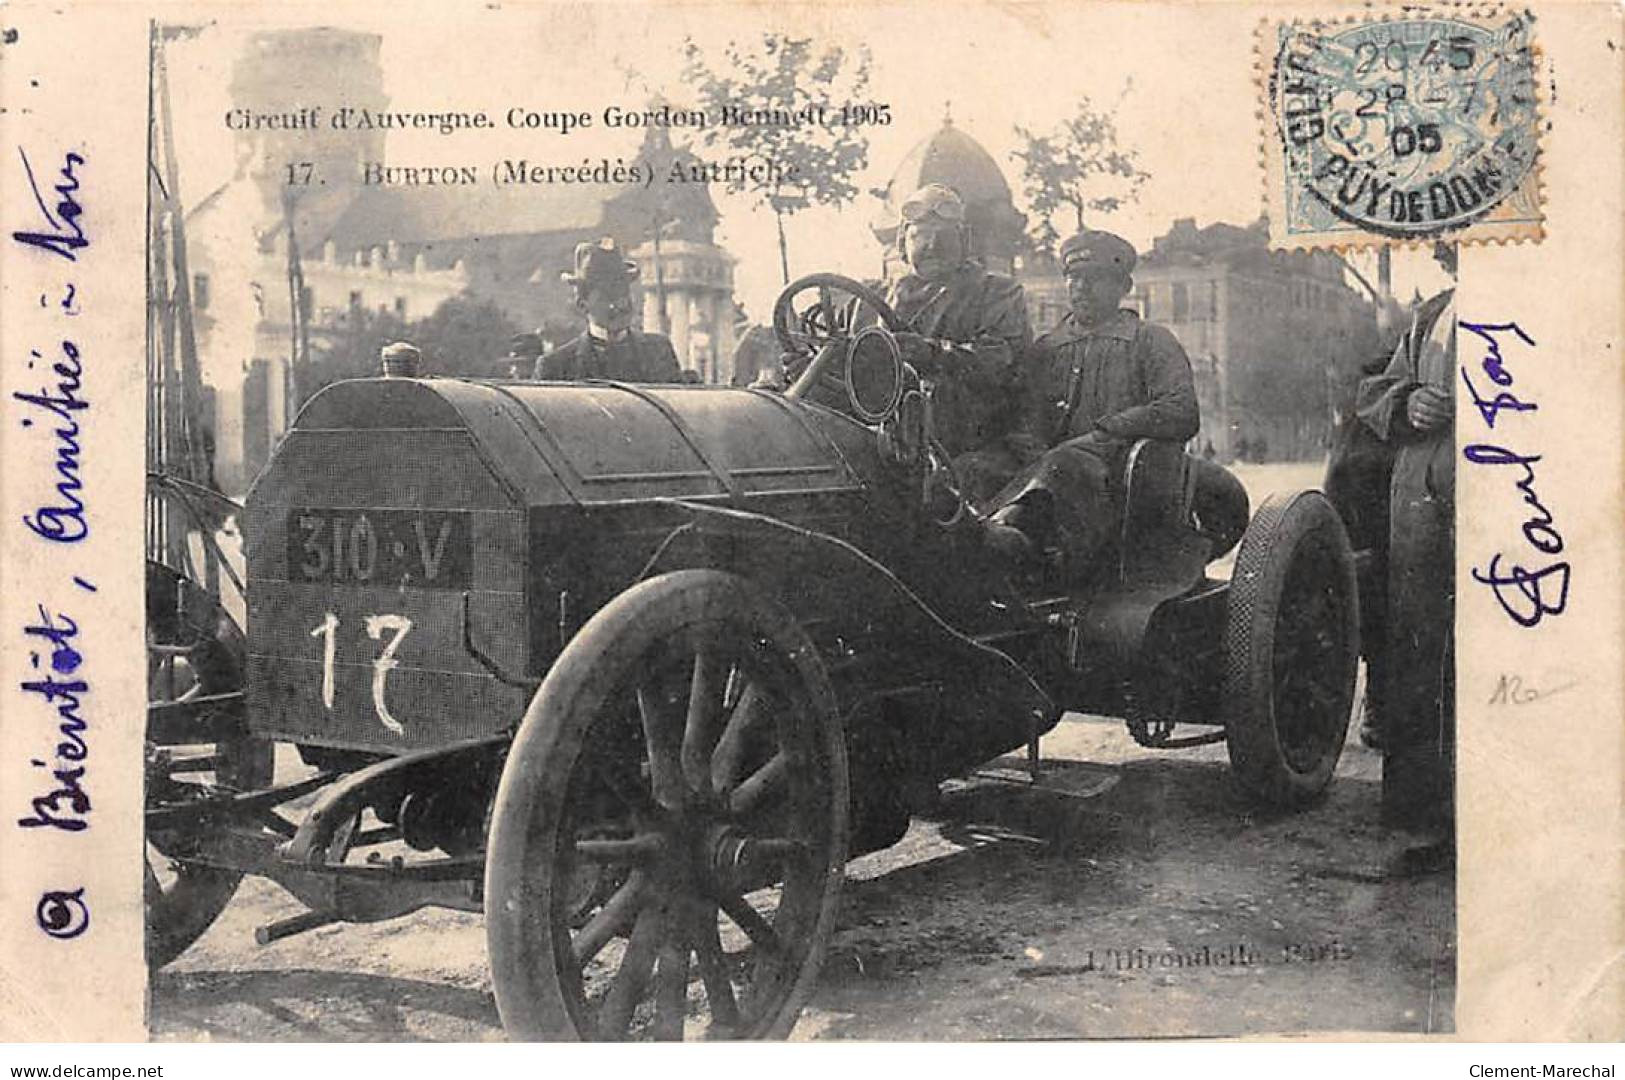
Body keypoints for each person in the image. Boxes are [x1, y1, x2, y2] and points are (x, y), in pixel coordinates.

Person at [982, 229, 1201, 567]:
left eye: (1095, 278)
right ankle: (973, 540)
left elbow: (1182, 410)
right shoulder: (1046, 349)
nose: (1081, 287)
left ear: (1123, 288)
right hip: (1046, 471)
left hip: (1116, 483)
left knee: (1064, 462)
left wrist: (1110, 430)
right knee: (974, 468)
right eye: (1073, 277)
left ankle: (1008, 535)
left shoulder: (1150, 341)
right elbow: (1020, 419)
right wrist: (1033, 450)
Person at [1355, 248, 1456, 874]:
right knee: (1422, 651)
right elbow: (1375, 389)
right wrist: (1408, 399)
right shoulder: (1435, 314)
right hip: (1424, 503)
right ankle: (1427, 820)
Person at [883, 183, 1034, 504]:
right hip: (889, 445)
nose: (932, 246)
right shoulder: (874, 303)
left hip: (978, 448)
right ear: (902, 242)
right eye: (920, 236)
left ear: (964, 242)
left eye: (945, 237)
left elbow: (1001, 359)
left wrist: (933, 353)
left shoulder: (996, 292)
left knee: (952, 494)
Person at [534, 238, 682, 383]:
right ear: (582, 304)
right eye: (608, 296)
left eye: (623, 292)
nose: (620, 304)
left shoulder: (659, 351)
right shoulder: (556, 368)